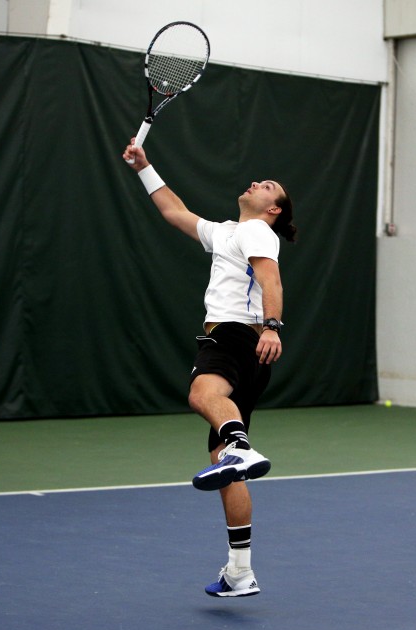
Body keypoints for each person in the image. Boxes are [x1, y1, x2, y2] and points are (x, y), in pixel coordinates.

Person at [122, 139, 296, 598]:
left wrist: (273, 327)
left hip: (237, 334)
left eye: (268, 186)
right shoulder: (227, 233)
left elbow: (270, 278)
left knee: (201, 396)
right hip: (246, 347)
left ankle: (240, 445)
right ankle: (240, 571)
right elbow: (174, 211)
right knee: (222, 463)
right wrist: (145, 167)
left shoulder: (258, 231)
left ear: (273, 209)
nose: (257, 182)